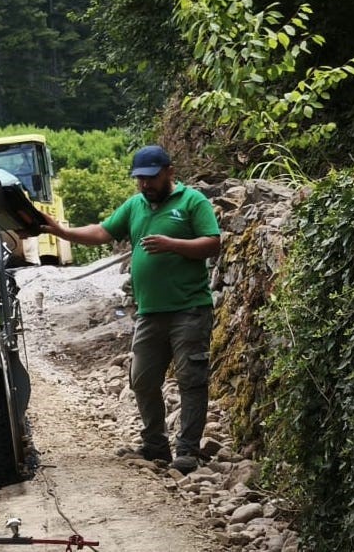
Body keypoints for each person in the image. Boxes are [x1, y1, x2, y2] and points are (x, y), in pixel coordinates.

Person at [38, 144, 221, 475]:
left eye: (151, 178)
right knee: (141, 379)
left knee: (190, 379)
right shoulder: (135, 205)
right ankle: (155, 444)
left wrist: (172, 244)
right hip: (150, 311)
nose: (145, 185)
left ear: (169, 173)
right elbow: (102, 232)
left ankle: (188, 450)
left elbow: (213, 242)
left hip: (189, 309)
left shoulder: (193, 202)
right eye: (140, 179)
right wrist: (62, 231)